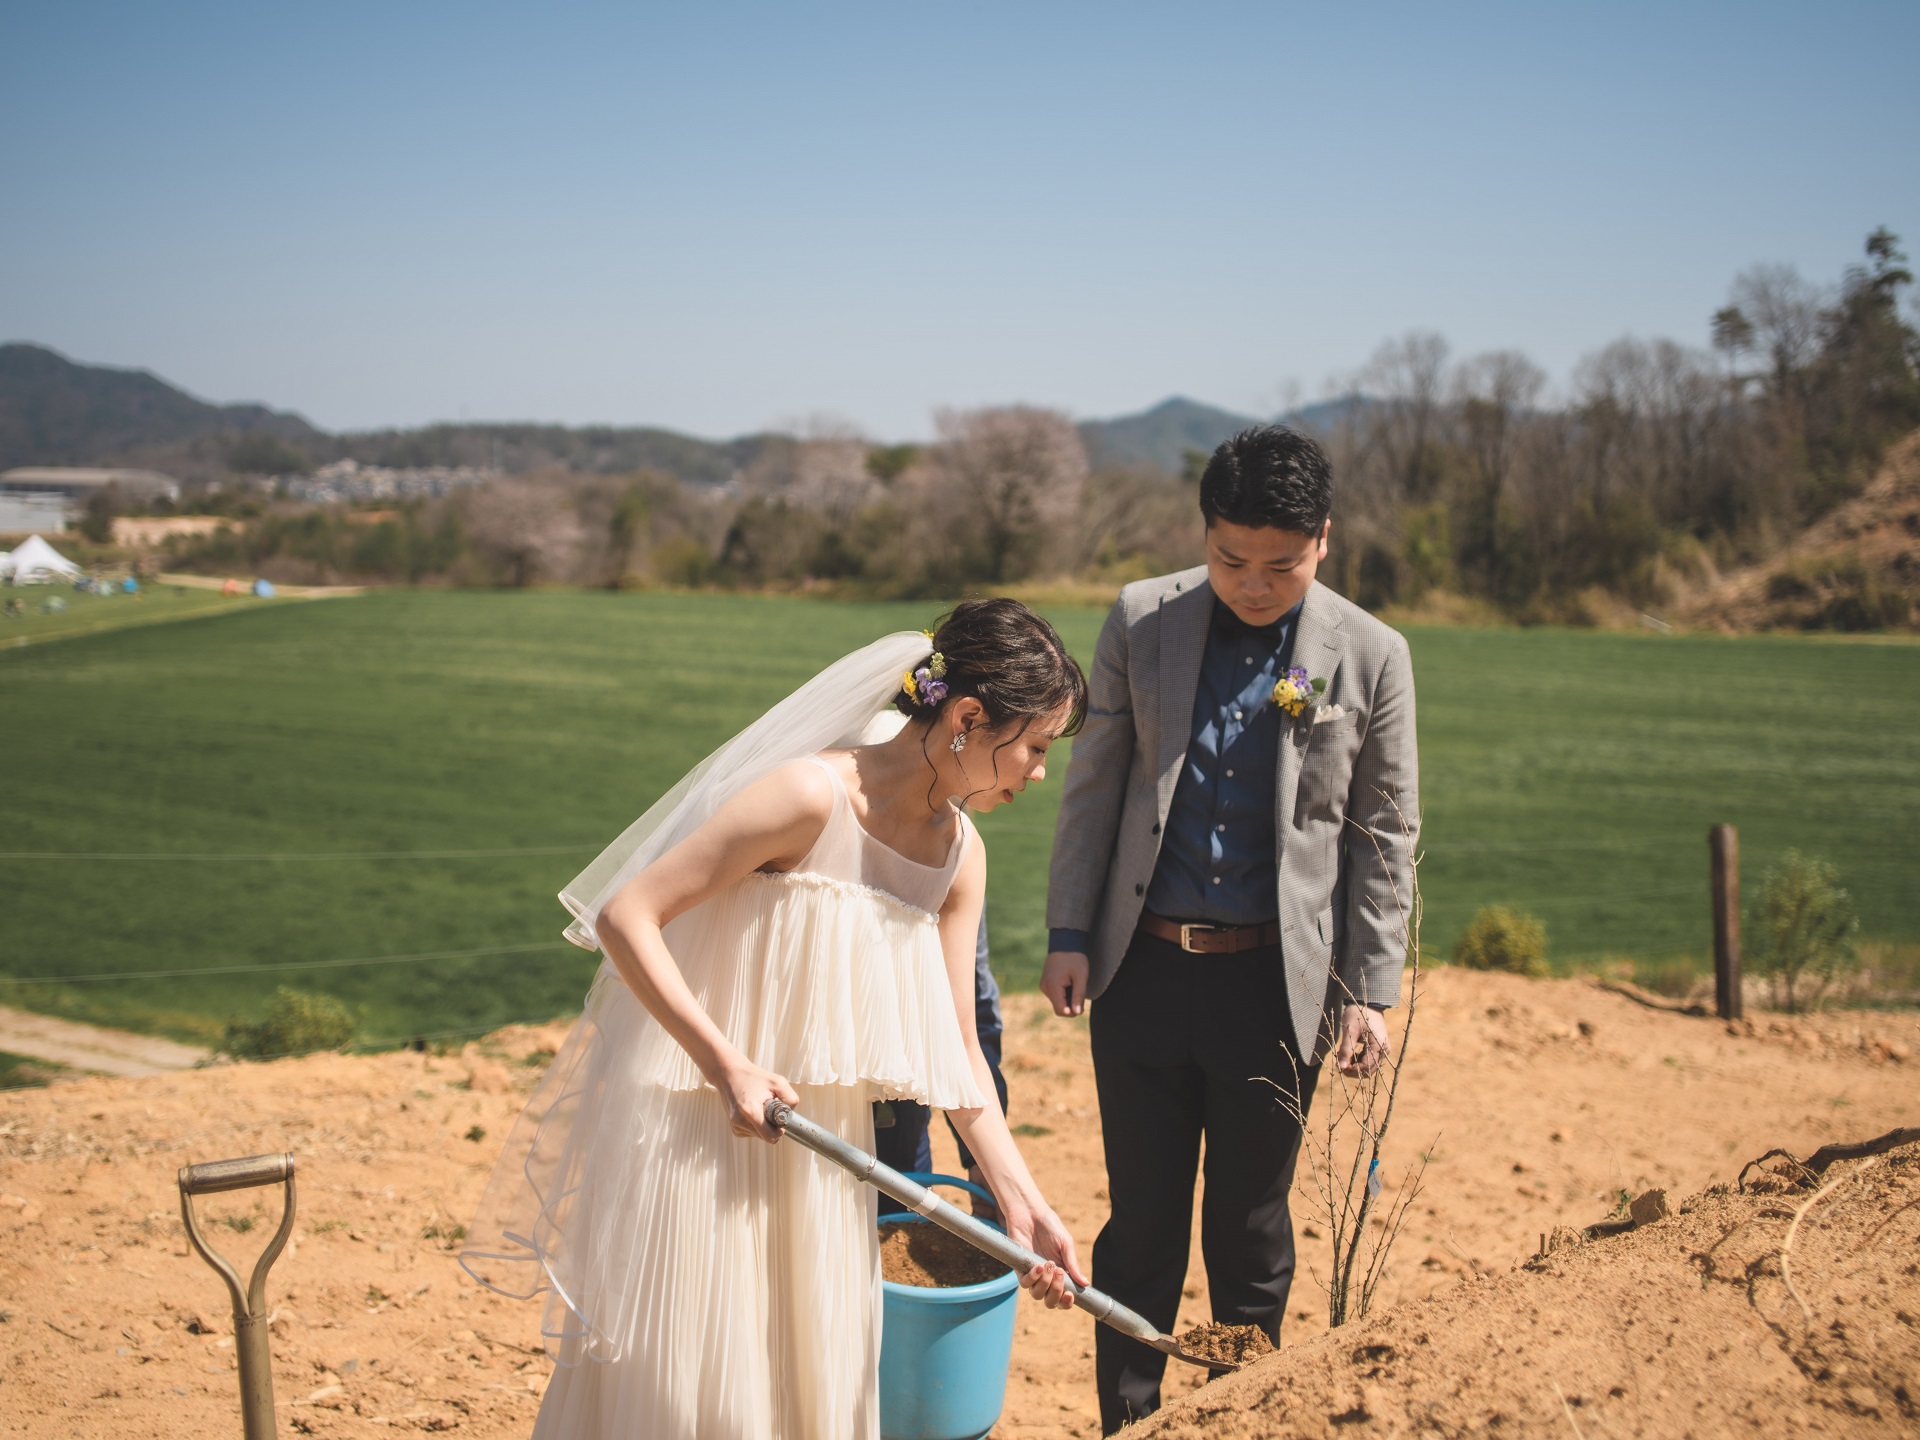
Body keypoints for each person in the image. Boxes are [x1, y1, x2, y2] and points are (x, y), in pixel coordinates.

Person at [463, 598, 1090, 1440]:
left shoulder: (959, 856)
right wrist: (727, 1064)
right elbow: (628, 916)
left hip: (826, 1163)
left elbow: (959, 1054)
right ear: (969, 717)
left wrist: (1021, 1206)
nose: (1040, 774)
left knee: (804, 1398)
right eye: (1036, 748)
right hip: (703, 1138)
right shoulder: (806, 794)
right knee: (693, 1394)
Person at [1040, 425, 1419, 1432]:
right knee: (1143, 1225)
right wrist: (1069, 931)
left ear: (1323, 542)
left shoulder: (1375, 656)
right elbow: (1095, 787)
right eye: (1229, 559)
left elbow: (1385, 831)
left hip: (1275, 991)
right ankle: (1132, 1420)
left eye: (1280, 566)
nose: (1253, 583)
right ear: (1204, 535)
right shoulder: (1139, 620)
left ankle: (1238, 1419)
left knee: (1250, 1232)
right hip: (1141, 977)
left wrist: (1371, 991)